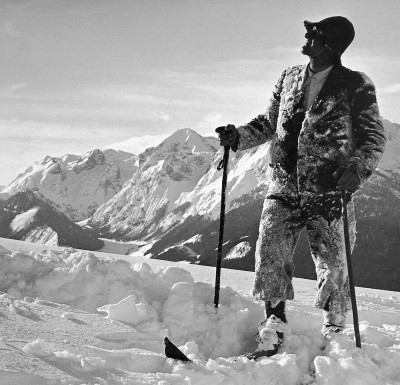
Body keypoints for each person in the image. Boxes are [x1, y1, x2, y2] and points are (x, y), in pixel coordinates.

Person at [216, 16, 386, 359]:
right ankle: (273, 324)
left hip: (328, 188)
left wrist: (358, 169)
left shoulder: (355, 84)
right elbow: (269, 122)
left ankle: (334, 327)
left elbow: (373, 138)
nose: (307, 36)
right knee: (270, 251)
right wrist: (239, 137)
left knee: (333, 261)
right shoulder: (289, 77)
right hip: (282, 182)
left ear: (331, 44)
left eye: (315, 33)